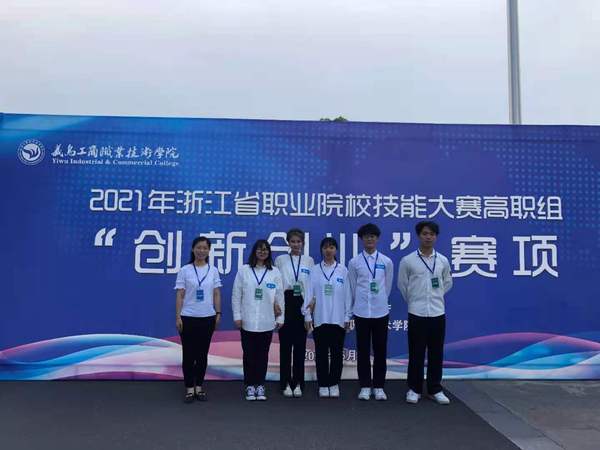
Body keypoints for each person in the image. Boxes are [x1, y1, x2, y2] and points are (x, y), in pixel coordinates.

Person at [398, 221, 453, 405]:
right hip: (417, 313)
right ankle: (414, 389)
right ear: (418, 236)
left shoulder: (442, 260)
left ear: (436, 237)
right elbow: (402, 285)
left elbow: (447, 282)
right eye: (424, 233)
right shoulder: (408, 260)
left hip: (437, 313)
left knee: (436, 353)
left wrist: (436, 296)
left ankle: (434, 389)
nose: (428, 237)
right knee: (416, 352)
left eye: (431, 234)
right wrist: (414, 300)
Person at [232, 239, 284, 401]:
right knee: (249, 355)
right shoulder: (244, 270)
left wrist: (281, 317)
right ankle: (249, 385)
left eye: (265, 249)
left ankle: (260, 385)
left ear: (269, 253)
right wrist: (237, 316)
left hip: (266, 321)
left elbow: (280, 296)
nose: (262, 252)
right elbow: (236, 295)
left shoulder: (274, 272)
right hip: (247, 320)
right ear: (254, 251)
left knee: (262, 355)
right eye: (260, 249)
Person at [348, 223, 394, 401]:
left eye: (372, 236)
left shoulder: (386, 261)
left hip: (380, 312)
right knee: (363, 350)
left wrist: (379, 299)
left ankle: (379, 386)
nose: (369, 239)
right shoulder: (354, 262)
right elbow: (353, 287)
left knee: (380, 350)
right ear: (361, 239)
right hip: (361, 312)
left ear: (377, 238)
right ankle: (365, 386)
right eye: (366, 236)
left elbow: (387, 287)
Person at [175, 236, 222, 403]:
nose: (201, 251)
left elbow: (216, 293)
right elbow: (180, 294)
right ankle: (189, 387)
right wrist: (178, 316)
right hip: (188, 317)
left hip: (207, 318)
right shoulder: (185, 270)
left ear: (209, 251)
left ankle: (199, 386)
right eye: (198, 247)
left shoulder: (213, 270)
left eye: (205, 248)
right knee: (188, 355)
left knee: (202, 355)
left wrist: (218, 313)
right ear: (193, 249)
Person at [303, 237, 352, 398]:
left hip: (338, 319)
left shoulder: (343, 270)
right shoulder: (315, 270)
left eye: (331, 247)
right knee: (322, 354)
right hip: (320, 318)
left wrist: (347, 316)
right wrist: (307, 315)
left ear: (336, 250)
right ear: (321, 250)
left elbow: (348, 295)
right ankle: (323, 384)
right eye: (325, 247)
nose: (328, 250)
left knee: (337, 354)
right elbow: (309, 293)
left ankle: (334, 383)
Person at [274, 228, 314, 398]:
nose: (296, 244)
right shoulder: (280, 260)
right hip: (286, 301)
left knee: (300, 347)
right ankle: (285, 383)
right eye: (293, 241)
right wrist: (277, 306)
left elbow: (310, 287)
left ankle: (298, 383)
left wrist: (308, 314)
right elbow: (277, 285)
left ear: (303, 243)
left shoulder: (309, 261)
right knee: (285, 347)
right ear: (288, 243)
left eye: (299, 241)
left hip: (302, 303)